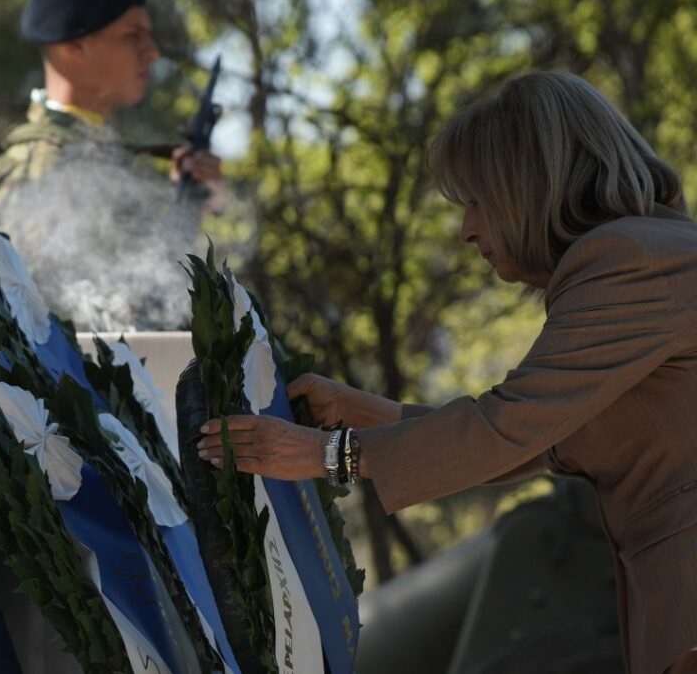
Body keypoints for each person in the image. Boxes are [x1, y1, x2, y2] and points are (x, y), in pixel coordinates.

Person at [196, 71, 697, 674]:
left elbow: (504, 429)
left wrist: (327, 455)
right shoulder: (649, 255)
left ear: (528, 186)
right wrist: (370, 413)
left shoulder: (626, 262)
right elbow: (536, 439)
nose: (466, 231)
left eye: (475, 201)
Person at [0, 0, 223, 331]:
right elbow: (35, 329)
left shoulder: (96, 155)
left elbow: (145, 296)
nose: (151, 51)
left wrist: (189, 204)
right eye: (132, 36)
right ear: (74, 45)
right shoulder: (40, 168)